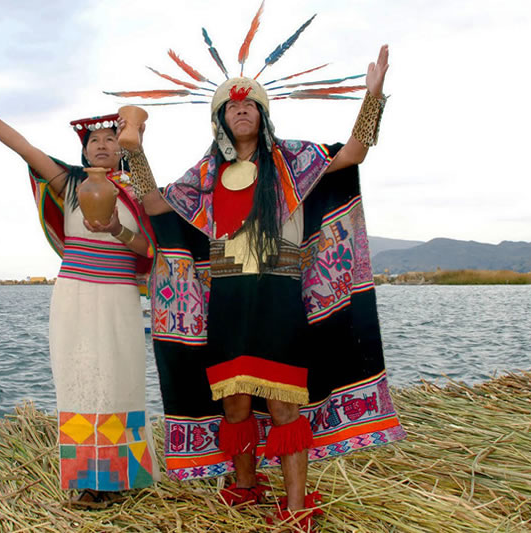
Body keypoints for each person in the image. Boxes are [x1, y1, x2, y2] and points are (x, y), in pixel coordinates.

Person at [122, 42, 405, 529]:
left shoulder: (292, 159)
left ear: (262, 113)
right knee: (234, 404)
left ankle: (296, 504)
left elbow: (355, 152)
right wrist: (135, 151)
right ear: (221, 120)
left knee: (282, 404)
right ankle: (246, 485)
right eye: (232, 107)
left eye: (249, 104)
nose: (241, 110)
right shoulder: (206, 175)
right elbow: (153, 206)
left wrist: (373, 96)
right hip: (227, 301)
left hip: (279, 298)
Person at [0, 79, 160, 506]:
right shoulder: (70, 185)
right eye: (93, 141)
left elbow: (151, 249)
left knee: (121, 382)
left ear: (121, 146)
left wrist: (118, 229)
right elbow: (23, 147)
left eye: (109, 139)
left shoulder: (140, 189)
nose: (101, 145)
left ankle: (120, 478)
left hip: (119, 296)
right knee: (80, 382)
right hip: (75, 294)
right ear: (83, 152)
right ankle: (89, 482)